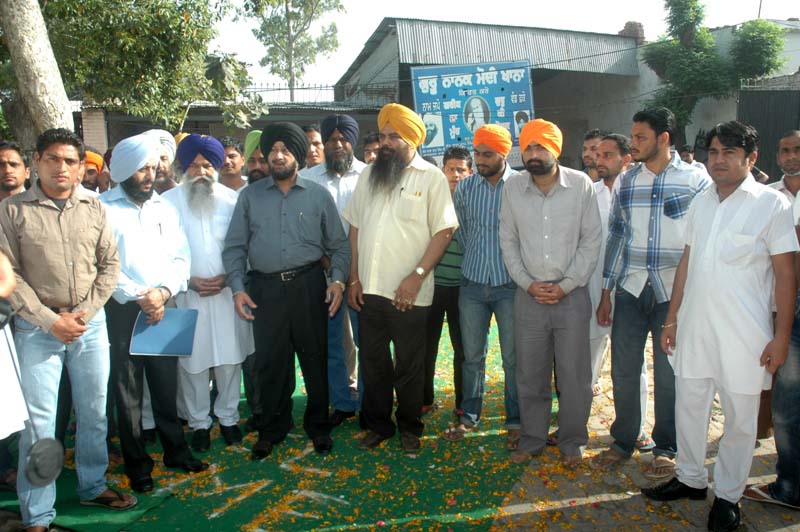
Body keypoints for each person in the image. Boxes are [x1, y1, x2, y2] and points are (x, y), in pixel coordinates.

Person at [642, 121, 798, 532]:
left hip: (746, 335)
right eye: (713, 152)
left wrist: (781, 337)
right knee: (689, 407)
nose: (718, 160)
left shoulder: (772, 205)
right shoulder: (702, 201)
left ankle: (728, 497)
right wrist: (672, 318)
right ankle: (691, 478)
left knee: (740, 421)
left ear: (751, 158)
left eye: (729, 152)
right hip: (695, 327)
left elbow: (786, 276)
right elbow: (687, 262)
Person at [0, 128, 136, 531]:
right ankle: (38, 515)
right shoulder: (12, 211)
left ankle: (93, 485)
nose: (62, 167)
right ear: (37, 162)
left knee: (94, 412)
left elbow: (110, 265)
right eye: (53, 159)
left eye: (70, 161)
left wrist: (84, 314)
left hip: (88, 326)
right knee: (39, 425)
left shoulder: (94, 206)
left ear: (80, 168)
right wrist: (51, 320)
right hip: (35, 329)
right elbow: (9, 275)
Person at [591, 107, 711, 480]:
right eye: (633, 136)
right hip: (630, 288)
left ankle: (666, 447)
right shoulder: (628, 181)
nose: (634, 143)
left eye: (641, 137)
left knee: (669, 372)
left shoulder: (696, 180)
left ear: (664, 138)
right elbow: (617, 236)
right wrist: (607, 291)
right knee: (624, 369)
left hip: (672, 293)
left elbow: (701, 241)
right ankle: (624, 440)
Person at [223, 122, 350, 460]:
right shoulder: (249, 197)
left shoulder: (318, 195)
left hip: (309, 287)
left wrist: (337, 281)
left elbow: (339, 245)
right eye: (272, 150)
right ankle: (272, 429)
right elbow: (234, 247)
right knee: (270, 363)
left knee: (315, 359)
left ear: (298, 155)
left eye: (285, 150)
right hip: (264, 290)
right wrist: (237, 288)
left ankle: (318, 426)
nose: (278, 156)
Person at [343, 103, 458, 452]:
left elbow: (444, 231)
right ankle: (379, 426)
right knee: (373, 363)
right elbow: (355, 228)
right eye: (383, 136)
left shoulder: (432, 177)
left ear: (413, 139)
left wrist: (417, 276)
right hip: (369, 290)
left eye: (394, 137)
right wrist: (353, 279)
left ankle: (410, 427)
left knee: (409, 364)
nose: (386, 143)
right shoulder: (369, 175)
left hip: (410, 293)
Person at [100, 133, 208, 494]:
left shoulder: (165, 208)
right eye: (141, 169)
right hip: (122, 310)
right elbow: (101, 264)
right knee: (128, 392)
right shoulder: (101, 208)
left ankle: (176, 451)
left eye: (152, 167)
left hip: (164, 306)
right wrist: (139, 295)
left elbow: (181, 258)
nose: (150, 175)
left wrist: (162, 292)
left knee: (166, 386)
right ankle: (138, 465)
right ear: (123, 170)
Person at [499, 119, 601, 466]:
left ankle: (572, 441)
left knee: (574, 376)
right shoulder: (513, 188)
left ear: (555, 149)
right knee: (530, 374)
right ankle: (532, 439)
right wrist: (527, 283)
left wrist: (566, 285)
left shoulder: (580, 184)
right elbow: (508, 241)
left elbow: (591, 240)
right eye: (528, 146)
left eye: (541, 146)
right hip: (528, 297)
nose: (533, 153)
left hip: (571, 296)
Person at [163, 134, 254, 451]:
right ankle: (199, 422)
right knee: (192, 362)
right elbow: (160, 252)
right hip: (187, 295)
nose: (200, 172)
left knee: (230, 358)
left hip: (228, 294)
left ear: (215, 167)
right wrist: (188, 281)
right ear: (182, 168)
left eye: (206, 165)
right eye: (193, 165)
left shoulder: (232, 201)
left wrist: (231, 277)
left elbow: (245, 245)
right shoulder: (166, 203)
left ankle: (228, 418)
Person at [442, 125, 520, 449]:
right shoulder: (465, 188)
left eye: (487, 154)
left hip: (510, 285)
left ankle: (515, 420)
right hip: (472, 284)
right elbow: (459, 229)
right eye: (477, 153)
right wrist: (478, 254)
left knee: (513, 358)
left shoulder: (521, 186)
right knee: (472, 356)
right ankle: (469, 416)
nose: (480, 159)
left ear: (504, 153)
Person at [742, 130, 800, 512]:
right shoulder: (768, 197)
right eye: (784, 150)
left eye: (798, 150)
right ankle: (789, 485)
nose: (791, 156)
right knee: (785, 401)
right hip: (780, 307)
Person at [300, 114, 366, 427]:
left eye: (343, 139)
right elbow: (303, 228)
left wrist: (353, 272)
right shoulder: (307, 179)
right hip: (324, 274)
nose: (337, 144)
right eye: (331, 139)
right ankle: (341, 402)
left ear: (353, 141)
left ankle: (368, 402)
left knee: (367, 343)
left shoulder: (369, 176)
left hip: (363, 275)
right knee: (332, 342)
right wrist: (327, 262)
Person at [589, 134, 653, 452]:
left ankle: (635, 428)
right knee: (588, 354)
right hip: (594, 286)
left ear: (626, 159)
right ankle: (575, 421)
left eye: (607, 155)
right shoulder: (589, 194)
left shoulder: (639, 191)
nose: (599, 160)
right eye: (597, 154)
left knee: (631, 362)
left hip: (631, 287)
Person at [423, 146, 471, 416]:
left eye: (461, 170)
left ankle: (463, 404)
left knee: (463, 349)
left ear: (470, 172)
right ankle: (424, 399)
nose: (455, 175)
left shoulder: (474, 203)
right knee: (426, 346)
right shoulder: (431, 200)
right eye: (450, 169)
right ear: (442, 171)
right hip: (431, 285)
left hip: (463, 288)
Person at [144, 129, 178, 194]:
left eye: (163, 159)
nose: (159, 165)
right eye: (154, 159)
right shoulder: (136, 197)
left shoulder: (182, 195)